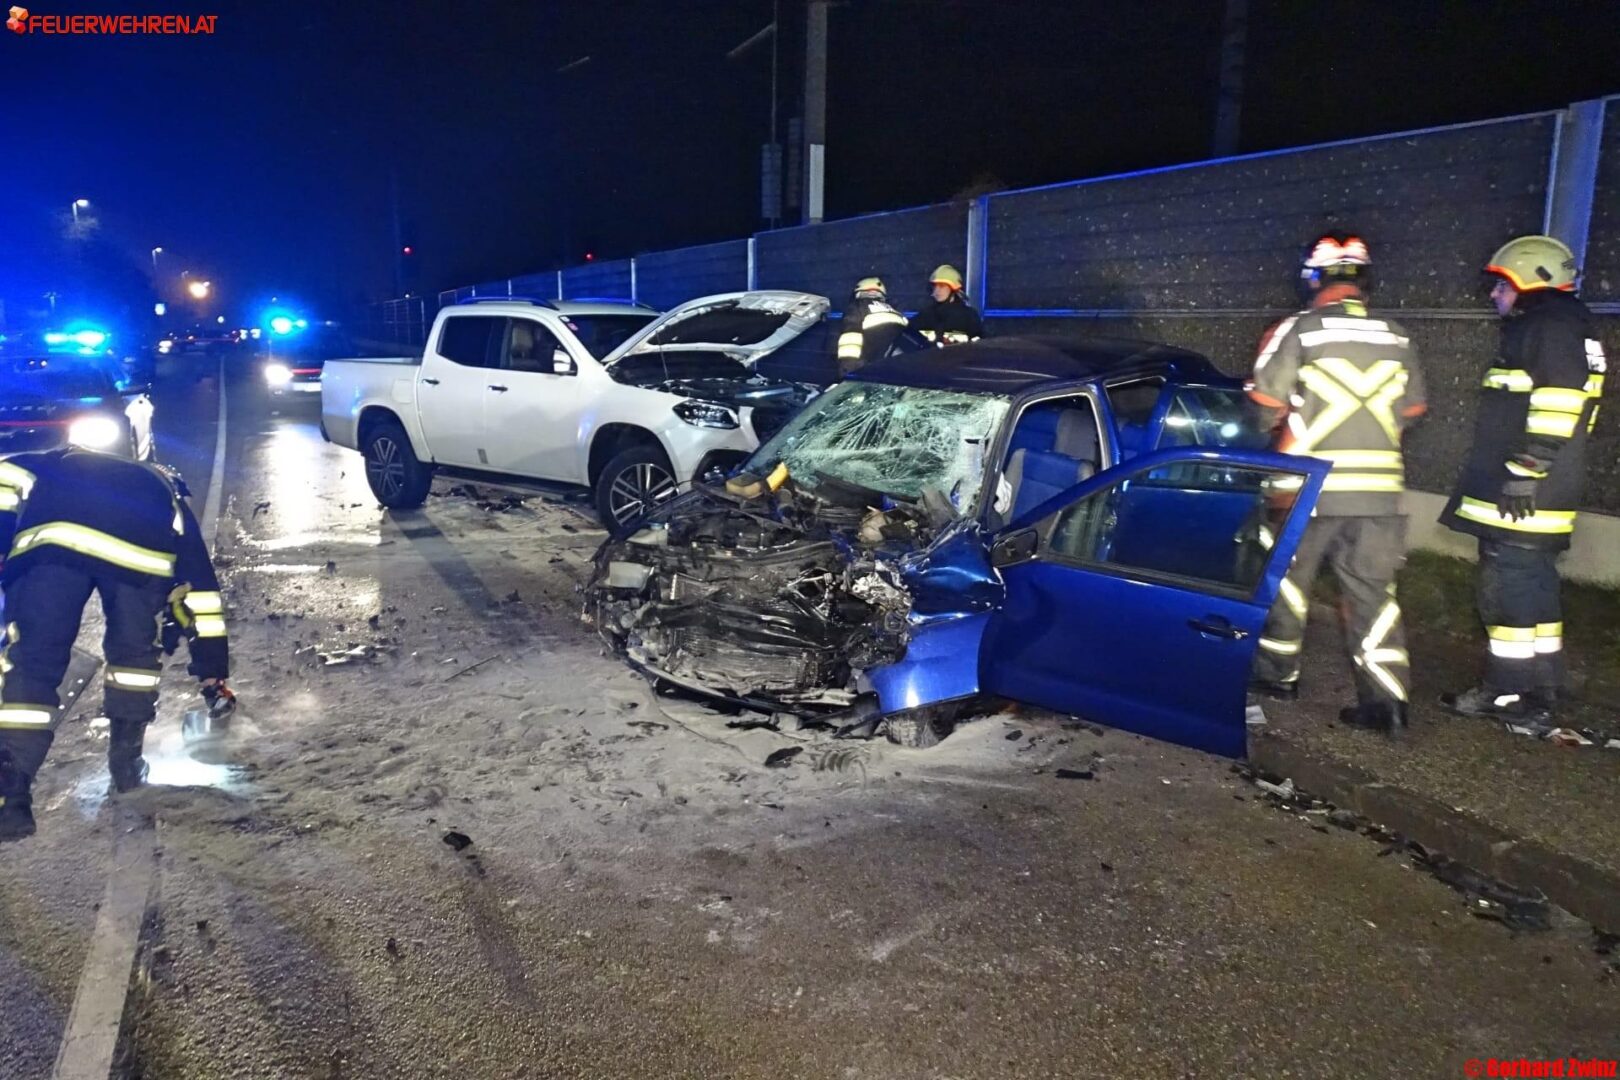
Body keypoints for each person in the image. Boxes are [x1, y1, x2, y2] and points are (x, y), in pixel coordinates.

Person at [0, 448, 232, 841]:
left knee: (34, 664)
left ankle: (11, 793)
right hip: (139, 563)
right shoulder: (166, 490)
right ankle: (126, 768)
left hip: (53, 549)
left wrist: (5, 545)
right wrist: (212, 674)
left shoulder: (54, 459)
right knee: (134, 662)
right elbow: (203, 596)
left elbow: (5, 477)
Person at [1246, 233, 1427, 735]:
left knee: (1286, 585)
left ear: (1313, 279)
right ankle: (1387, 704)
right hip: (1378, 494)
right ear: (1364, 282)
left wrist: (1269, 433)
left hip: (1305, 488)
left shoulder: (1298, 331)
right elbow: (1412, 409)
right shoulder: (1397, 336)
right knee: (1374, 595)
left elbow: (1264, 406)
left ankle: (1277, 676)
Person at [1438, 235, 1605, 723]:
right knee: (1534, 586)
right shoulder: (1570, 325)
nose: (1494, 296)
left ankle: (1506, 691)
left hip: (1526, 490)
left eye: (1501, 286)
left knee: (1506, 588)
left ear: (1532, 280)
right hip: (1548, 485)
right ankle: (1544, 687)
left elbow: (1559, 402)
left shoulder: (1547, 325)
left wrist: (1527, 470)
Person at [834, 277, 908, 376]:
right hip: (896, 367)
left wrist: (848, 370)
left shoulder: (859, 306)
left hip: (871, 369)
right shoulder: (897, 312)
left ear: (858, 293)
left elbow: (850, 338)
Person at [912, 264, 983, 345]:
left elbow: (980, 348)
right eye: (934, 287)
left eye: (942, 286)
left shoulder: (968, 317)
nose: (937, 291)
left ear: (953, 289)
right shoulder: (925, 315)